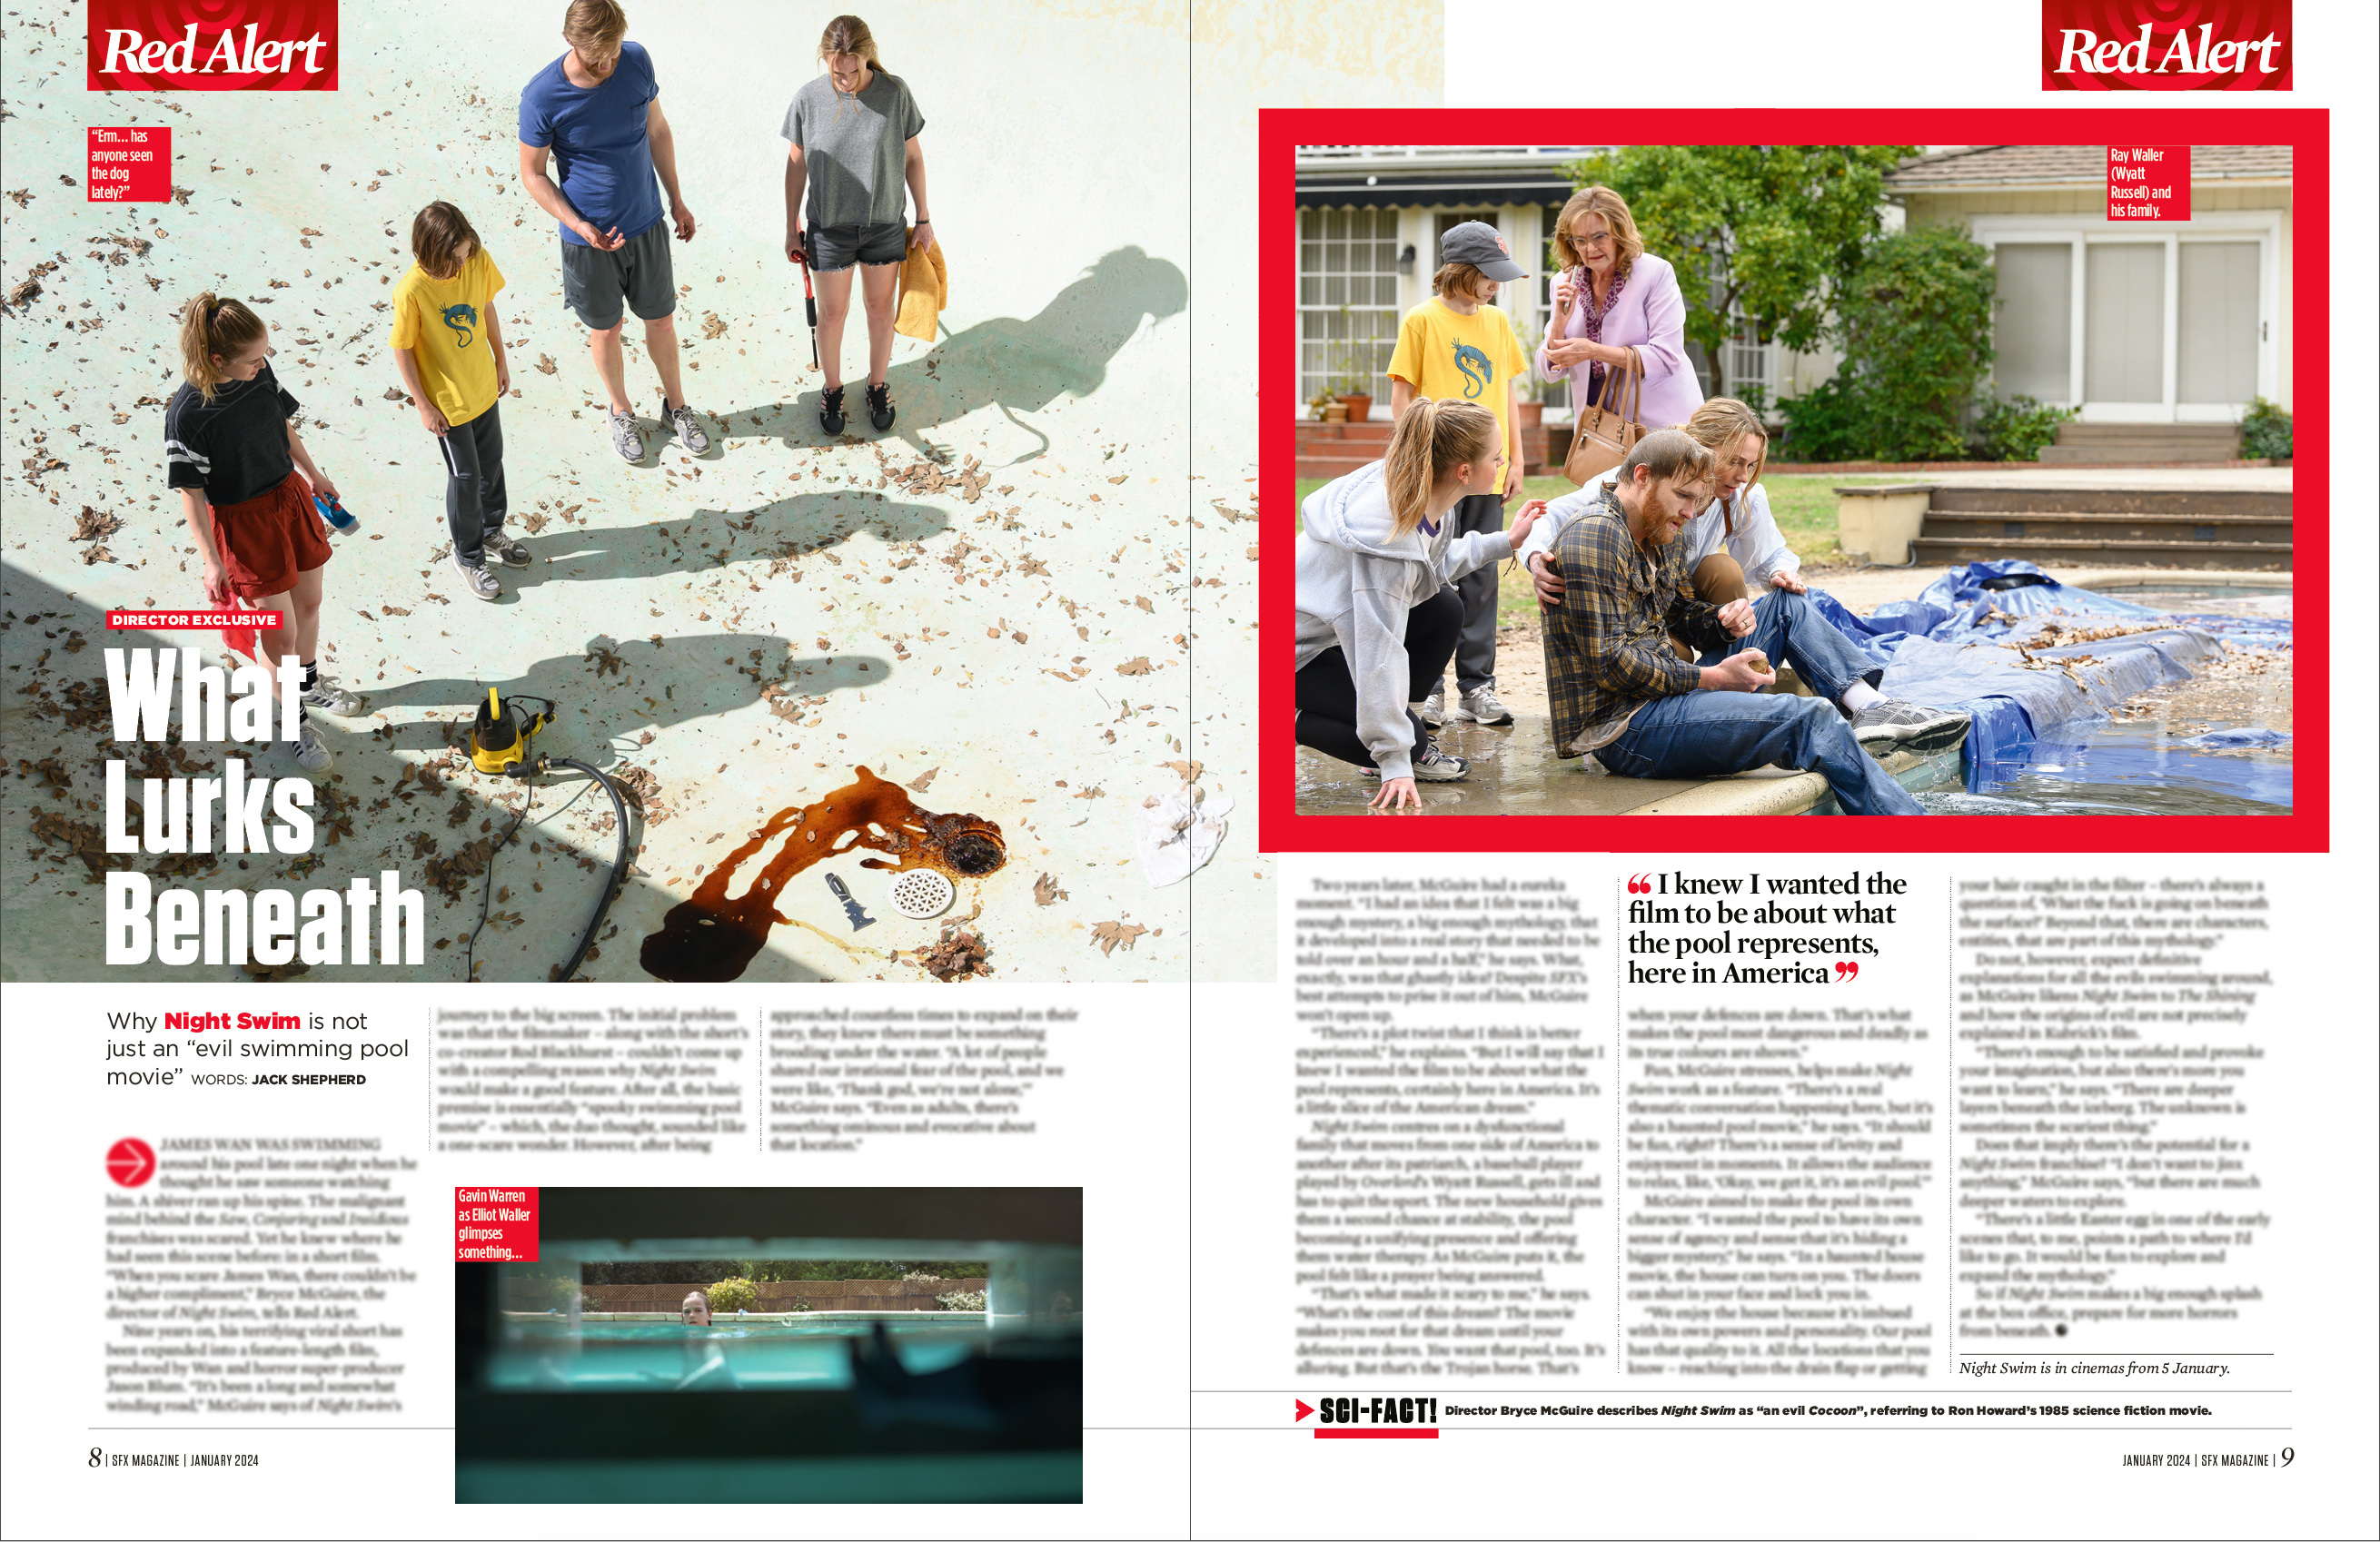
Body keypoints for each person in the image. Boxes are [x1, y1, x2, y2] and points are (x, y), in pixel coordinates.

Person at [1539, 430, 1965, 815]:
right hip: (1622, 730)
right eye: (1683, 496)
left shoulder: (1657, 530)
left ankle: (1869, 706)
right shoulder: (1596, 533)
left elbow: (1680, 614)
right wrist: (1712, 678)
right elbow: (1610, 663)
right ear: (1644, 477)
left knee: (1783, 605)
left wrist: (1724, 623)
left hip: (1660, 698)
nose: (1690, 513)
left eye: (1697, 501)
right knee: (1811, 718)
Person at [1294, 399, 1545, 812]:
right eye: (1497, 458)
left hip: (1334, 635)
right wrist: (1394, 757)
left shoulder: (1425, 491)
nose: (1502, 464)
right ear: (1464, 472)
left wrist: (1506, 542)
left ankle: (1391, 723)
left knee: (1444, 607)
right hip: (1290, 656)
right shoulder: (1385, 545)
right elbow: (1379, 651)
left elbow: (1427, 566)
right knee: (1409, 747)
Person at [164, 294, 364, 775]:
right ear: (218, 360)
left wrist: (313, 474)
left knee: (310, 605)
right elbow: (191, 493)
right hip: (244, 523)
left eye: (264, 355)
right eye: (253, 358)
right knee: (281, 638)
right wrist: (212, 561)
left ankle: (310, 684)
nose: (263, 364)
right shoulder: (187, 415)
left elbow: (283, 426)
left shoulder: (259, 374)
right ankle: (295, 724)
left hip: (290, 501)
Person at [517, 0, 709, 464]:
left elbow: (658, 130)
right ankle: (621, 411)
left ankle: (675, 406)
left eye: (614, 51)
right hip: (588, 241)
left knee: (661, 320)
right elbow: (533, 173)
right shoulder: (542, 97)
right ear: (571, 41)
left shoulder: (637, 60)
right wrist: (578, 224)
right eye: (595, 55)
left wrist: (676, 198)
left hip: (647, 222)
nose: (607, 63)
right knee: (607, 330)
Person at [1384, 222, 1531, 731]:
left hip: (1487, 472)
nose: (1497, 286)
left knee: (1482, 577)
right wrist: (1411, 463)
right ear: (1462, 272)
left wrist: (1512, 457)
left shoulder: (1496, 323)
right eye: (1490, 276)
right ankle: (1426, 691)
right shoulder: (1421, 321)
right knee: (1428, 577)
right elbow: (1403, 396)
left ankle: (1477, 688)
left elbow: (1507, 393)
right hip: (1437, 475)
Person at [1522, 397, 1802, 625]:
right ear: (1701, 445)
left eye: (1750, 466)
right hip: (1641, 602)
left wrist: (1781, 572)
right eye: (1734, 461)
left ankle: (1733, 668)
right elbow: (1549, 515)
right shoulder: (1633, 482)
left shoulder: (1741, 498)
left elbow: (1768, 554)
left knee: (1723, 569)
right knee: (1676, 657)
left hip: (1686, 600)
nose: (1743, 476)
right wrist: (1537, 558)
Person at [781, 15, 932, 437]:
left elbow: (914, 157)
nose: (846, 79)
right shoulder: (808, 100)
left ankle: (877, 384)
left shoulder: (894, 93)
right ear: (825, 61)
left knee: (880, 310)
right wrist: (791, 226)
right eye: (837, 71)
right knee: (832, 314)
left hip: (884, 222)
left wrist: (922, 217)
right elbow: (796, 164)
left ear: (868, 59)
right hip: (829, 228)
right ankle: (832, 389)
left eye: (855, 70)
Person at [389, 202, 523, 602]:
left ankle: (490, 530)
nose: (463, 265)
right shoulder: (412, 290)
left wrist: (500, 358)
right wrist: (423, 405)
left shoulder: (476, 261)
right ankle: (467, 555)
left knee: (492, 461)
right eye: (455, 259)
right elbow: (403, 348)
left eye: (466, 255)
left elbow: (486, 307)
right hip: (447, 403)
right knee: (465, 477)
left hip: (481, 386)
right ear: (431, 254)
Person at [1537, 185, 1702, 447]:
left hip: (1663, 423)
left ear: (1619, 232)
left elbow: (1666, 356)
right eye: (1579, 240)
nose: (1590, 248)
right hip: (1599, 430)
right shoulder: (1563, 281)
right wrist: (1558, 323)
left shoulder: (1655, 273)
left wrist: (1593, 351)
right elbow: (1551, 372)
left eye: (1599, 237)